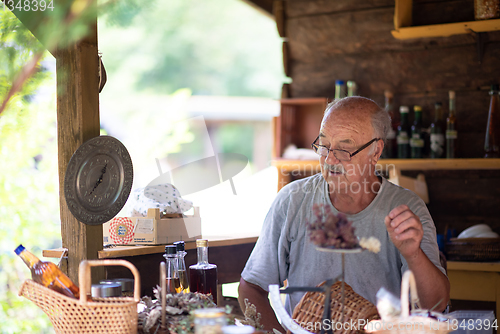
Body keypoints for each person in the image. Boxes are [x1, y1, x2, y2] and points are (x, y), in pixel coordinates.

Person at [238, 96, 450, 332]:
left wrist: (413, 254)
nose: (329, 159)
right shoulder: (293, 201)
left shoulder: (406, 209)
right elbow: (252, 287)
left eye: (344, 148)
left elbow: (436, 306)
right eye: (324, 145)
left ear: (375, 150)